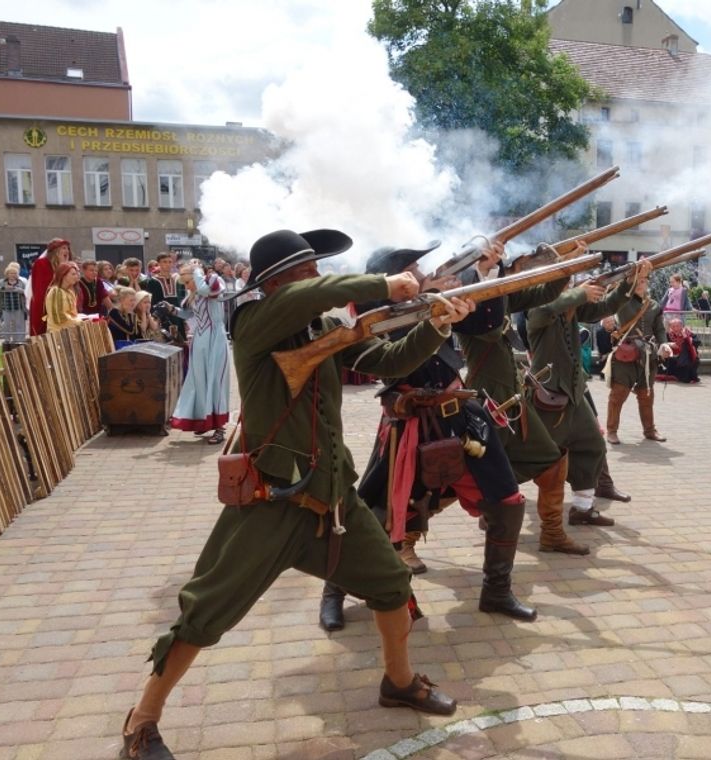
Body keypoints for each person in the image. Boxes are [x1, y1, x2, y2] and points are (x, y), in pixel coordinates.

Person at [119, 229, 471, 759]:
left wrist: (437, 325)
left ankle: (397, 682)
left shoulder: (323, 325)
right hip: (270, 503)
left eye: (317, 270)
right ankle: (141, 721)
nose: (316, 278)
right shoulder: (255, 321)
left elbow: (389, 360)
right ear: (278, 282)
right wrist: (383, 283)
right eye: (306, 271)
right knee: (205, 611)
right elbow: (305, 297)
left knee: (393, 583)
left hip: (332, 499)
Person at [321, 243, 535, 631]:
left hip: (461, 415)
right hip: (410, 423)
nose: (421, 274)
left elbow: (485, 322)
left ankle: (497, 591)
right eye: (412, 270)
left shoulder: (431, 301)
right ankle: (334, 590)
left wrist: (483, 272)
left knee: (507, 501)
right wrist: (427, 304)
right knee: (372, 515)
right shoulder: (379, 316)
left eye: (419, 269)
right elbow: (396, 356)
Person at [456, 243, 591, 555]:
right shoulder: (473, 303)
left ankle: (552, 534)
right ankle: (407, 540)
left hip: (512, 400)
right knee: (462, 476)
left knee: (552, 458)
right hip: (487, 401)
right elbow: (489, 325)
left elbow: (543, 293)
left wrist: (564, 267)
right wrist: (490, 272)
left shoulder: (502, 295)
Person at [527, 256, 649, 526]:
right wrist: (578, 293)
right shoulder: (538, 310)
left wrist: (629, 286)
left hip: (573, 391)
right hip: (547, 394)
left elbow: (603, 308)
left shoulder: (571, 309)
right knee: (534, 456)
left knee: (593, 444)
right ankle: (496, 506)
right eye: (564, 282)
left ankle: (582, 508)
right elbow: (548, 309)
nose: (569, 285)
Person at [605, 268, 672, 442]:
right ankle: (611, 431)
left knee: (646, 394)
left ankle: (650, 431)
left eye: (644, 280)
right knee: (618, 394)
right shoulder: (621, 301)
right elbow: (607, 308)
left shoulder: (654, 305)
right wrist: (607, 322)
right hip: (626, 352)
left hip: (648, 354)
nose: (642, 282)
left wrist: (664, 344)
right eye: (638, 280)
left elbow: (659, 329)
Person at [168, 264, 231, 443]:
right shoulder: (194, 294)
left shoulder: (213, 281)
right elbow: (189, 316)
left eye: (188, 282)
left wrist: (197, 272)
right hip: (199, 340)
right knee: (199, 382)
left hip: (215, 339)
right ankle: (205, 420)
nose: (187, 286)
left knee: (215, 381)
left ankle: (219, 428)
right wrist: (171, 310)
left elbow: (208, 292)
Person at [29, 238, 71, 337]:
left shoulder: (66, 265)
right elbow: (41, 288)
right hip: (44, 304)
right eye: (64, 248)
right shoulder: (41, 263)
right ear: (55, 250)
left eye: (67, 249)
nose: (67, 251)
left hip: (61, 304)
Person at [0, 263, 28, 342]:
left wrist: (19, 290)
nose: (12, 275)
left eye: (15, 273)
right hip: (6, 307)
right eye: (11, 273)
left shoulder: (21, 282)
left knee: (19, 325)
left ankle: (19, 341)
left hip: (19, 307)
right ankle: (7, 341)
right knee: (6, 325)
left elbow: (27, 291)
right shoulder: (2, 282)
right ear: (7, 274)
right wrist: (4, 288)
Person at [44, 263, 81, 332]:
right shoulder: (56, 292)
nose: (76, 277)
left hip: (69, 331)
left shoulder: (70, 292)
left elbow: (73, 314)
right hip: (58, 334)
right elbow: (60, 318)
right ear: (63, 275)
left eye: (76, 274)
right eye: (73, 274)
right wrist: (81, 322)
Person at [663, 317, 700, 383]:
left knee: (685, 348)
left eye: (677, 326)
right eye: (673, 326)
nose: (675, 328)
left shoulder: (688, 333)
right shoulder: (668, 335)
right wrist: (670, 344)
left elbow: (697, 341)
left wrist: (686, 338)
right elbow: (661, 342)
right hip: (673, 356)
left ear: (682, 326)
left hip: (688, 357)